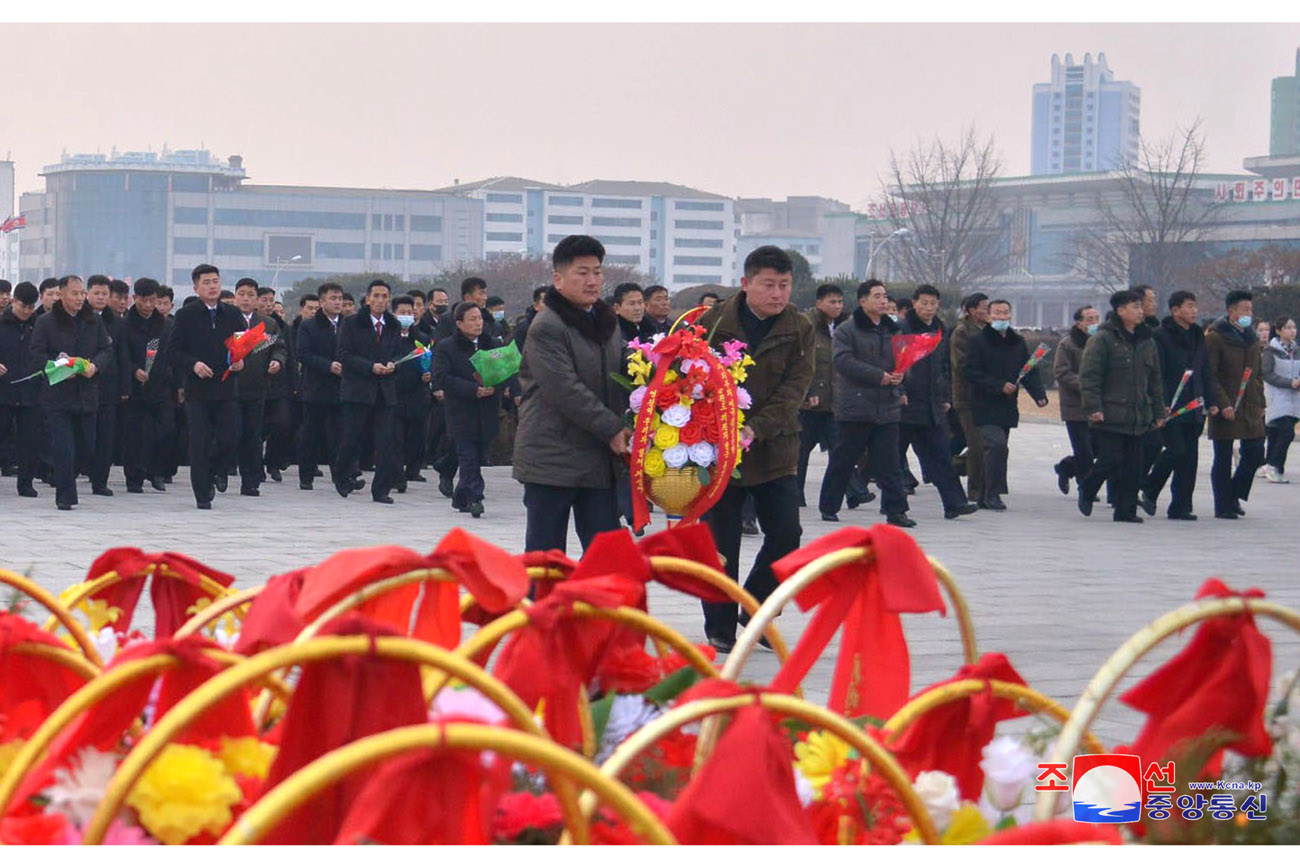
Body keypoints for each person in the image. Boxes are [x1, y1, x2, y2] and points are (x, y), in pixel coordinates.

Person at [696, 245, 814, 652]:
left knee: (787, 534)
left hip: (774, 449)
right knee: (720, 543)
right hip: (718, 450)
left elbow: (794, 389)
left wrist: (755, 429)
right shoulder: (713, 323)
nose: (778, 294)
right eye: (768, 285)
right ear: (746, 284)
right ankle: (720, 626)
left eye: (784, 285)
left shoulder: (799, 327)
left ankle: (758, 606)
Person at [513, 235, 628, 554]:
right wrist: (614, 429)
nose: (592, 280)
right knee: (546, 558)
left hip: (597, 458)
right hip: (552, 459)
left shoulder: (607, 321)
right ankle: (540, 606)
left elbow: (618, 377)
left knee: (607, 556)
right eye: (582, 272)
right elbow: (565, 390)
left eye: (598, 271)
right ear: (558, 279)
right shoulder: (547, 326)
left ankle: (603, 606)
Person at [817, 279, 915, 526]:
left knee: (890, 462)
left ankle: (896, 510)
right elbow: (843, 361)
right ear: (863, 301)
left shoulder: (893, 329)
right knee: (844, 459)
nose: (883, 301)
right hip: (856, 407)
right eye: (877, 296)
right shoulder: (847, 330)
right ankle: (829, 506)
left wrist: (901, 377)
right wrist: (878, 376)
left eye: (884, 296)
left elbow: (904, 360)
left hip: (887, 407)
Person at [1076, 290, 1166, 523]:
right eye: (1135, 307)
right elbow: (1090, 376)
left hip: (1138, 413)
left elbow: (1154, 380)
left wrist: (1158, 411)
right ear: (1120, 311)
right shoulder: (1104, 338)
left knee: (1134, 466)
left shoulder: (1147, 339)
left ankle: (1125, 511)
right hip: (1110, 412)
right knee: (1111, 459)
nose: (1140, 311)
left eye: (1140, 306)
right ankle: (1087, 487)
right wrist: (1093, 407)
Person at [166, 264, 247, 509]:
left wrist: (240, 362)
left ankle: (217, 470)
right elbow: (173, 352)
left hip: (226, 388)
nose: (212, 286)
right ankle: (202, 494)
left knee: (230, 438)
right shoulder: (186, 315)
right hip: (198, 390)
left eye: (216, 281)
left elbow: (241, 348)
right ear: (196, 287)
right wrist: (194, 365)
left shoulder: (233, 315)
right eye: (207, 282)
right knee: (199, 442)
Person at [29, 275, 113, 510]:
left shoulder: (93, 321)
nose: (79, 298)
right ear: (62, 294)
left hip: (87, 393)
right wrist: (59, 364)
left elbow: (106, 350)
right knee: (63, 447)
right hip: (58, 396)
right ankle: (65, 496)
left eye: (81, 293)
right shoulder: (46, 322)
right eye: (74, 293)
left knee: (88, 445)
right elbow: (36, 355)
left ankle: (66, 475)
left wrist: (95, 366)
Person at [898, 284, 979, 519]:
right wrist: (900, 391)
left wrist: (944, 397)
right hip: (906, 403)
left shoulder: (939, 329)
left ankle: (955, 503)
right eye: (924, 303)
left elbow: (943, 366)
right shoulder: (902, 329)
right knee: (893, 457)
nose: (929, 308)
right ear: (914, 303)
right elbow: (895, 362)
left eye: (933, 304)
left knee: (941, 455)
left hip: (932, 404)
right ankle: (894, 505)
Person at [963, 298, 1048, 510]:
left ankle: (984, 493)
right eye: (997, 313)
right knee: (997, 445)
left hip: (1007, 406)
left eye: (1005, 313)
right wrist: (998, 385)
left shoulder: (1017, 342)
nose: (1002, 317)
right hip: (984, 404)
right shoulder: (977, 341)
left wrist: (1039, 395)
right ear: (989, 316)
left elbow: (1028, 370)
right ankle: (993, 494)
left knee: (997, 450)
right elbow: (970, 372)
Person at [1142, 291, 1217, 520]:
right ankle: (1150, 487)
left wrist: (1212, 401)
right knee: (1176, 450)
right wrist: (1161, 404)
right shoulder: (1161, 336)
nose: (1194, 310)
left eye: (1195, 306)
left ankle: (1181, 506)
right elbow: (1158, 374)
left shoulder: (1198, 335)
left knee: (1189, 459)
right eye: (1189, 306)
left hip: (1194, 404)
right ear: (1175, 311)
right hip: (1171, 406)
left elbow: (1205, 371)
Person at [433, 302, 509, 517]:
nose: (478, 323)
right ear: (459, 323)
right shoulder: (446, 347)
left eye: (480, 319)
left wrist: (496, 387)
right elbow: (442, 378)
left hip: (487, 410)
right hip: (461, 410)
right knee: (468, 457)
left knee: (479, 454)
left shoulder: (492, 344)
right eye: (473, 319)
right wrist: (472, 390)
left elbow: (504, 373)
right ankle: (475, 497)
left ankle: (461, 497)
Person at [334, 279, 402, 504]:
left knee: (386, 442)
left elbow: (400, 353)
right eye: (377, 296)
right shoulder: (353, 322)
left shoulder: (393, 324)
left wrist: (393, 364)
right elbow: (344, 354)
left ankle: (381, 490)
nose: (380, 300)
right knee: (352, 439)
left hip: (385, 392)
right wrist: (370, 367)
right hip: (358, 389)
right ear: (368, 298)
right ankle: (342, 476)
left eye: (385, 296)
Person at [1206, 290, 1267, 519]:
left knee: (1256, 450)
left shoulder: (1251, 339)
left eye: (1251, 310)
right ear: (1231, 312)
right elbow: (1210, 375)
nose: (1248, 314)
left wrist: (1260, 401)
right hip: (1226, 405)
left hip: (1250, 405)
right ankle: (1223, 505)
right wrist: (1222, 403)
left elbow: (1257, 374)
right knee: (1222, 456)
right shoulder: (1215, 337)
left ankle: (1234, 493)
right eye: (1244, 310)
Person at [230, 278, 287, 497]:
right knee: (232, 434)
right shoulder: (226, 320)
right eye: (241, 294)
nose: (246, 299)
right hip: (231, 388)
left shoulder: (268, 324)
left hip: (257, 388)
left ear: (257, 299)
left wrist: (277, 361)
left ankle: (251, 482)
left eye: (250, 295)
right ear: (235, 297)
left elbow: (279, 348)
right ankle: (220, 470)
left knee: (253, 436)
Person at [120, 278, 174, 494]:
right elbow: (121, 354)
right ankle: (134, 477)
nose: (149, 305)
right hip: (134, 388)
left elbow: (171, 354)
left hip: (160, 386)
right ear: (135, 299)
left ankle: (155, 470)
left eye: (153, 301)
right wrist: (134, 370)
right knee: (134, 434)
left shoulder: (165, 325)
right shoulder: (124, 324)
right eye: (145, 301)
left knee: (166, 429)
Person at [797, 284, 846, 505]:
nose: (837, 306)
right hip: (811, 402)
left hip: (835, 401)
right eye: (832, 302)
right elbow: (801, 361)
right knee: (801, 451)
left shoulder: (843, 327)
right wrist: (809, 391)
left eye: (840, 302)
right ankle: (796, 494)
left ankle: (853, 492)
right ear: (819, 303)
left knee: (840, 449)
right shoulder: (807, 325)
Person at [296, 284, 345, 491]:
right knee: (311, 434)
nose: (337, 302)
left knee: (340, 435)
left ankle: (341, 476)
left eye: (340, 298)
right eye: (333, 298)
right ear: (322, 302)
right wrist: (328, 366)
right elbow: (303, 354)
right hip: (316, 387)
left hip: (342, 388)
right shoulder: (309, 326)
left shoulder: (348, 324)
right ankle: (306, 476)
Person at [84, 275, 128, 496]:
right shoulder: (77, 318)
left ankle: (100, 481)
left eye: (105, 294)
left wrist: (125, 388)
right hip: (81, 385)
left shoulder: (118, 323)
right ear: (87, 294)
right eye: (97, 293)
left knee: (106, 436)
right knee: (84, 435)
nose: (101, 298)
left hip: (109, 388)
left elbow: (123, 356)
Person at [1052, 305, 1100, 495]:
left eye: (1097, 318)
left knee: (1098, 448)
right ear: (1079, 323)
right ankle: (1086, 488)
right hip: (1075, 407)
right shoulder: (1068, 344)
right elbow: (1062, 372)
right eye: (1089, 319)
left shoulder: (1101, 342)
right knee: (1084, 451)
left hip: (1097, 405)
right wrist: (1087, 385)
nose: (1094, 323)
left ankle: (1066, 467)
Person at [0, 282, 41, 497]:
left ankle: (26, 483)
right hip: (3, 391)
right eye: (23, 306)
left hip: (31, 392)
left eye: (31, 307)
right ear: (13, 301)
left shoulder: (40, 326)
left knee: (29, 441)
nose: (27, 311)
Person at [950, 293, 990, 503]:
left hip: (990, 398)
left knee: (991, 444)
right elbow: (962, 366)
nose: (988, 311)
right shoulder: (962, 333)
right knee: (976, 444)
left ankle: (987, 487)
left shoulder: (991, 332)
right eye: (984, 307)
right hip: (967, 397)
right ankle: (975, 491)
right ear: (972, 311)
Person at [390, 295, 432, 490]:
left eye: (410, 312)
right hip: (395, 393)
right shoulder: (388, 337)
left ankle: (413, 470)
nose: (407, 315)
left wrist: (428, 375)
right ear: (394, 314)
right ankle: (397, 476)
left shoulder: (422, 338)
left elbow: (431, 361)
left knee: (417, 436)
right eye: (402, 312)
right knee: (395, 439)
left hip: (417, 394)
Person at [258, 286, 294, 482]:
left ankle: (272, 461)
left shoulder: (281, 326)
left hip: (279, 385)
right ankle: (255, 466)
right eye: (264, 300)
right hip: (256, 384)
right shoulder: (249, 324)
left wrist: (293, 384)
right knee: (257, 428)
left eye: (271, 300)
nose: (268, 304)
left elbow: (289, 354)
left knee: (283, 424)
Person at [1262, 316, 1300, 483]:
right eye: (1288, 327)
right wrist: (1289, 383)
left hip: (1294, 398)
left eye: (1293, 327)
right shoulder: (1270, 351)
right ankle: (1274, 465)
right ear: (1278, 331)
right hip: (1277, 397)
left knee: (1276, 434)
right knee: (1286, 432)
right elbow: (1267, 374)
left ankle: (1271, 467)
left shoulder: (1297, 350)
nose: (1292, 331)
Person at [435, 278, 499, 343]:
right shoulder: (447, 320)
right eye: (481, 293)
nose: (485, 298)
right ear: (467, 297)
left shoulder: (489, 321)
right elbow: (439, 346)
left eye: (485, 294)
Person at [513, 286, 548, 352]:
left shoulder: (562, 326)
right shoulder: (524, 329)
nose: (550, 305)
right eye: (546, 301)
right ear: (536, 305)